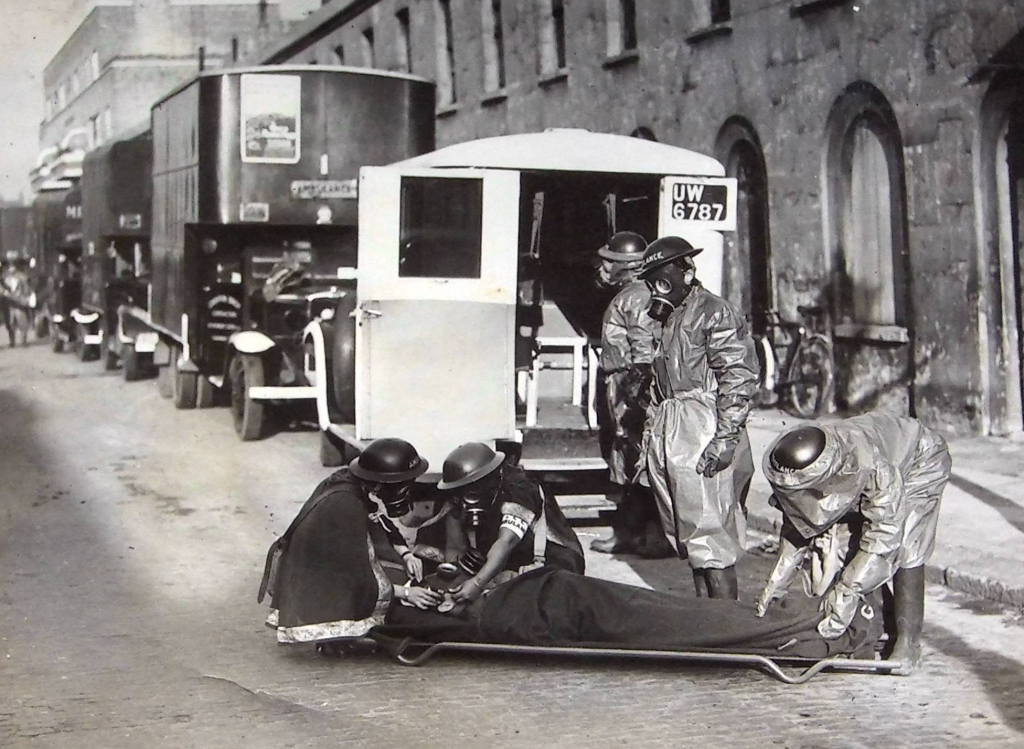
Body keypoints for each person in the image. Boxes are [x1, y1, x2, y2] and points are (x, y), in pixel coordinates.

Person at [755, 414, 951, 674]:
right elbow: (799, 526)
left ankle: (909, 642)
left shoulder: (872, 466)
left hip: (919, 461)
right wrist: (775, 587)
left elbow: (883, 538)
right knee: (848, 552)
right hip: (874, 461)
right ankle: (880, 622)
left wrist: (847, 591)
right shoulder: (806, 466)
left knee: (906, 546)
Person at [638, 236, 759, 599]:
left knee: (711, 538)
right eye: (652, 283)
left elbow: (738, 377)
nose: (658, 290)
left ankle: (727, 632)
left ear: (687, 272)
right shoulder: (669, 318)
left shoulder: (714, 312)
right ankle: (707, 624)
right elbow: (660, 382)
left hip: (703, 427)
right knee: (691, 539)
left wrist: (725, 439)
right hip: (673, 429)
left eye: (664, 280)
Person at [259, 438, 445, 646]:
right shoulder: (345, 506)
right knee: (418, 617)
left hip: (324, 573)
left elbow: (376, 521)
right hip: (321, 589)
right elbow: (353, 574)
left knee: (404, 575)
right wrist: (406, 593)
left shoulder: (349, 483)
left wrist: (405, 553)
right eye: (404, 485)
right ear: (386, 483)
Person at [589, 231, 674, 558]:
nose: (603, 268)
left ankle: (653, 537)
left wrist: (638, 398)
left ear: (626, 266)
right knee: (623, 460)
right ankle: (627, 532)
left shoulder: (637, 298)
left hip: (632, 386)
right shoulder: (630, 294)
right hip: (619, 384)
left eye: (609, 262)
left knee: (642, 462)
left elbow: (643, 353)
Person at [435, 442, 585, 604]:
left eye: (472, 490)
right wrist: (455, 581)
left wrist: (478, 583)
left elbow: (506, 541)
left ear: (490, 478)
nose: (468, 496)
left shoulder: (519, 488)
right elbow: (455, 548)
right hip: (510, 559)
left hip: (551, 558)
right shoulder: (459, 493)